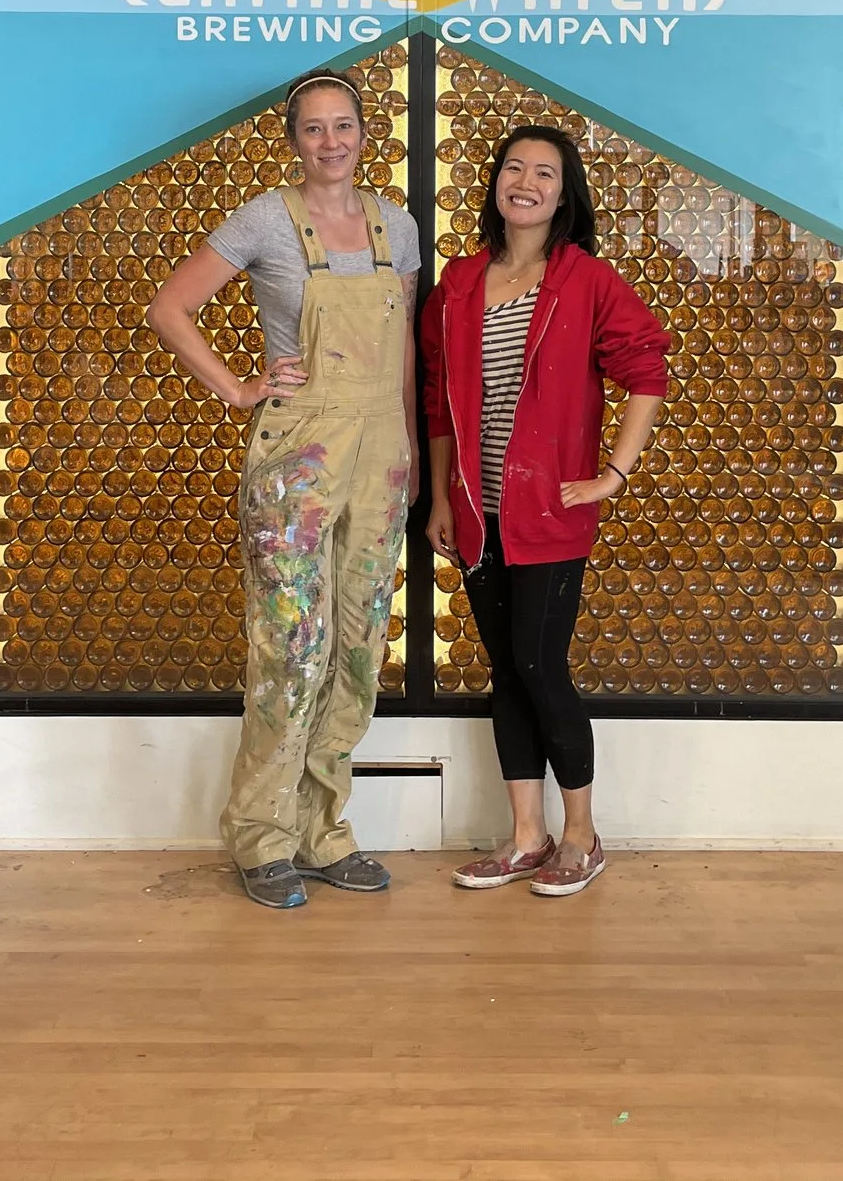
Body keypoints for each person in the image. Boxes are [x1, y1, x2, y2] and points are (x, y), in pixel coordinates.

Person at [148, 66, 420, 910]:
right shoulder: (266, 218)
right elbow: (169, 308)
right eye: (314, 127)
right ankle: (263, 834)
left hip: (382, 452)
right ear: (293, 138)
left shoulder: (399, 225)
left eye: (344, 125)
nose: (331, 141)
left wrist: (412, 449)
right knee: (292, 648)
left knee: (359, 647)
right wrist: (238, 388)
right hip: (299, 453)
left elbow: (405, 347)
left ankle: (323, 829)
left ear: (366, 132)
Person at [420, 124, 668, 898]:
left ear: (564, 195)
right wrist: (440, 496)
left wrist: (611, 475)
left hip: (550, 514)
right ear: (496, 182)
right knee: (506, 670)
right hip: (478, 513)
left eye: (545, 173)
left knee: (538, 663)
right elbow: (437, 401)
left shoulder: (585, 280)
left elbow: (647, 369)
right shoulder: (459, 283)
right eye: (514, 167)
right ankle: (527, 836)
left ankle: (582, 834)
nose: (525, 182)